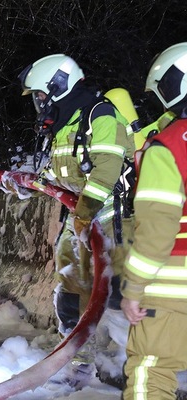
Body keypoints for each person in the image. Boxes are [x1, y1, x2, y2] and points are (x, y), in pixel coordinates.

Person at [17, 54, 136, 386]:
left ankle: (138, 372)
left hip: (115, 225)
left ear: (58, 87)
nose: (39, 104)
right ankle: (79, 367)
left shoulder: (100, 116)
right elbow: (57, 176)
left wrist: (84, 214)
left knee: (117, 299)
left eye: (41, 95)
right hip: (80, 223)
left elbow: (107, 171)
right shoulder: (64, 126)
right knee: (70, 294)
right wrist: (28, 184)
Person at [122, 42, 187, 400]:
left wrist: (134, 289)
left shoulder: (169, 146)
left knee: (152, 370)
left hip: (173, 286)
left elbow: (157, 231)